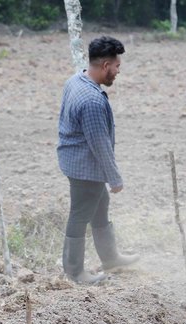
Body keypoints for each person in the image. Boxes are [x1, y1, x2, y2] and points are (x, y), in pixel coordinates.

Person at [57, 36, 139, 284]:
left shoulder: (76, 80)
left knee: (100, 205)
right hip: (85, 166)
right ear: (105, 65)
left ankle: (110, 257)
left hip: (74, 159)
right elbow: (99, 143)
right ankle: (74, 272)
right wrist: (114, 177)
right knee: (80, 215)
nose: (117, 72)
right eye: (116, 66)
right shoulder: (92, 100)